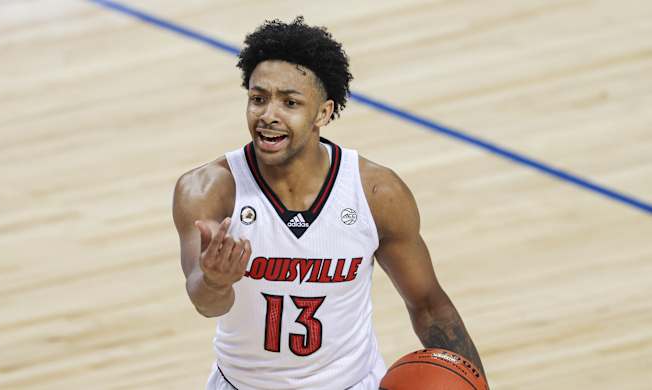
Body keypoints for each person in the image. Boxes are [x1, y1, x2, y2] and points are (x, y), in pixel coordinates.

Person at [173, 16, 487, 390]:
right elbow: (207, 304)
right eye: (258, 99)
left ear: (323, 113)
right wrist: (215, 280)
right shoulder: (208, 189)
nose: (268, 115)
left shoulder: (375, 194)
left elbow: (430, 307)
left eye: (289, 102)